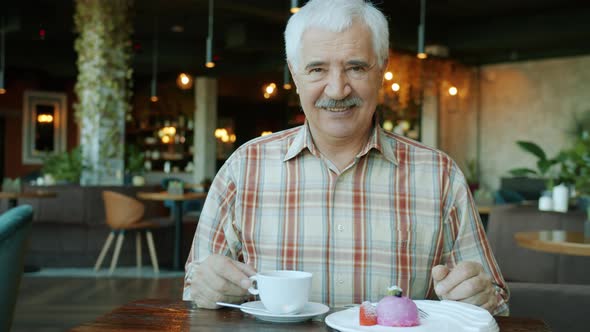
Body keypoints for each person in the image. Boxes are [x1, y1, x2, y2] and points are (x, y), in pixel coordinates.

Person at [183, 0, 509, 315]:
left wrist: (481, 296)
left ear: (381, 71)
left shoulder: (440, 175)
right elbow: (195, 289)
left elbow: (494, 299)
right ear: (295, 76)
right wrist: (207, 288)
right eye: (317, 69)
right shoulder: (244, 168)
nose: (337, 89)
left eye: (355, 67)